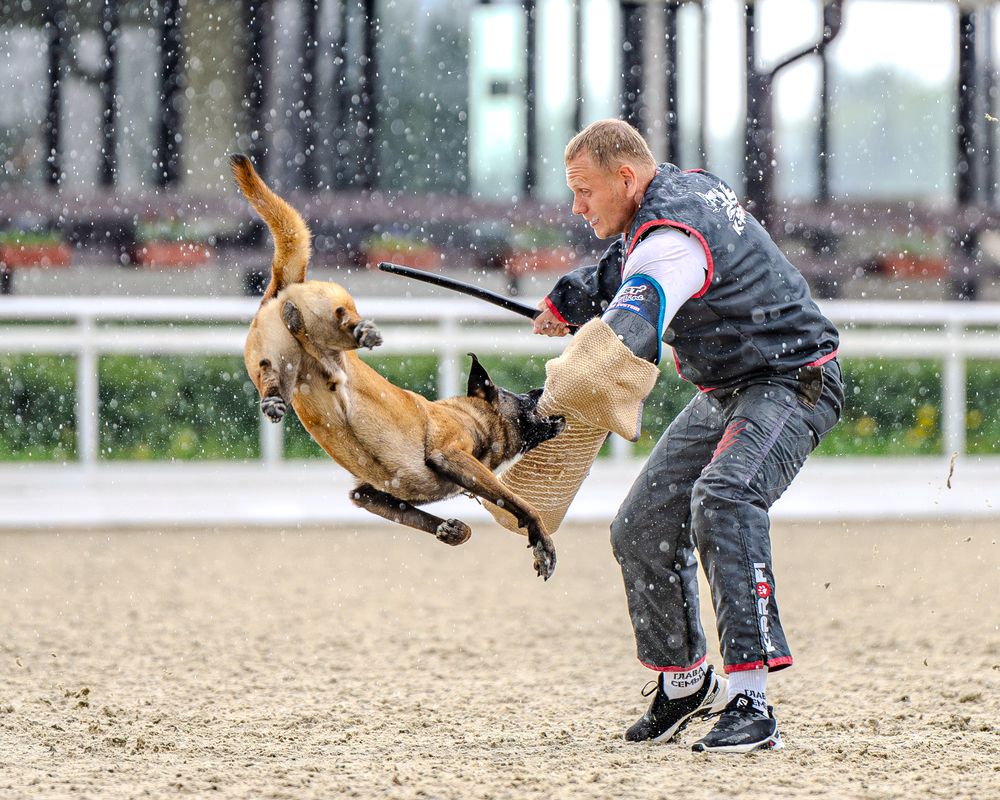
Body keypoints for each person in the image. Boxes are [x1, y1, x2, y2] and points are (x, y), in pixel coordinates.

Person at [531, 119, 843, 753]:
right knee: (639, 525)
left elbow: (637, 315)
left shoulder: (670, 242)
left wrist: (581, 365)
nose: (577, 207)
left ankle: (751, 702)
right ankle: (685, 682)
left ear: (626, 177)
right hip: (729, 390)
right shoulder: (672, 197)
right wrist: (568, 303)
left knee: (725, 497)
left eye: (584, 191)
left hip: (792, 380)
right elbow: (620, 270)